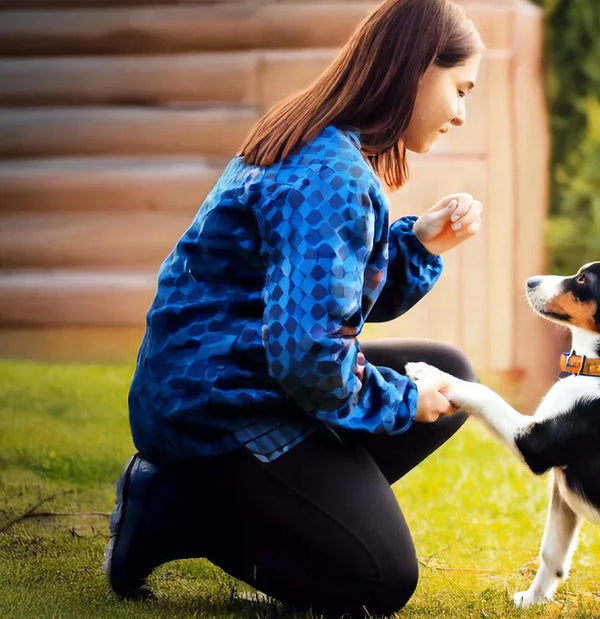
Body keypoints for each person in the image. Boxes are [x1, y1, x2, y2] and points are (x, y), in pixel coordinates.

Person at [103, 0, 484, 615]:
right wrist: (404, 402)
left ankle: (286, 507)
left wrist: (415, 246)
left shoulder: (316, 140)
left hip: (232, 375)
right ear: (416, 68)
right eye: (460, 89)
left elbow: (319, 299)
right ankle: (172, 508)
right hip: (216, 405)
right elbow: (308, 357)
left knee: (452, 375)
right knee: (376, 581)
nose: (462, 113)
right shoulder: (330, 174)